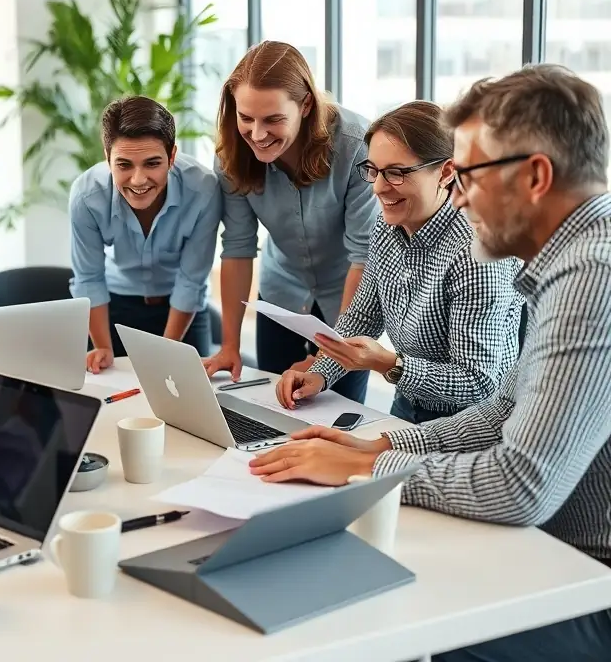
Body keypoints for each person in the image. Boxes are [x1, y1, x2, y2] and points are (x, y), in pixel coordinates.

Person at [249, 65, 611, 661]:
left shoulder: (590, 277)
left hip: (583, 577)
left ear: (536, 177)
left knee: (381, 618)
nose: (460, 195)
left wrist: (363, 472)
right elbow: (504, 410)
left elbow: (521, 485)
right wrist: (378, 448)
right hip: (553, 551)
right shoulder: (571, 263)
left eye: (467, 174)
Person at [275, 101, 522, 423]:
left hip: (476, 423)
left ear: (446, 172)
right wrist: (320, 374)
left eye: (396, 173)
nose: (378, 187)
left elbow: (478, 382)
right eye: (374, 170)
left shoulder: (477, 253)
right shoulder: (386, 226)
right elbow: (363, 317)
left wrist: (389, 363)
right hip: (408, 402)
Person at [203, 41, 379, 404]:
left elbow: (363, 258)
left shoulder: (357, 147)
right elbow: (237, 248)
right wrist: (230, 346)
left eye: (273, 120)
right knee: (274, 410)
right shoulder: (232, 155)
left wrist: (328, 357)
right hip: (281, 293)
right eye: (245, 118)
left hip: (345, 298)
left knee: (338, 422)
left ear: (306, 105)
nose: (257, 134)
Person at [69, 96, 221, 372]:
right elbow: (89, 278)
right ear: (107, 158)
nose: (138, 180)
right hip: (117, 309)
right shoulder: (86, 195)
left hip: (183, 309)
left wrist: (164, 353)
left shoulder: (203, 189)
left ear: (172, 156)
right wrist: (103, 346)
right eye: (124, 165)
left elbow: (191, 281)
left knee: (191, 401)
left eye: (152, 163)